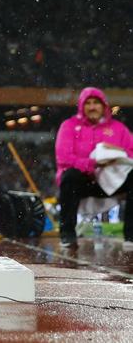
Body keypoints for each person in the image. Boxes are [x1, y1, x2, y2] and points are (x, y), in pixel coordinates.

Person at [55, 87, 133, 249]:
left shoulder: (118, 128)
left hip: (111, 181)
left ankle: (131, 235)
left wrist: (117, 156)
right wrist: (93, 163)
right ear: (81, 107)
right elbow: (64, 157)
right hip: (83, 181)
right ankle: (67, 234)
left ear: (104, 106)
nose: (92, 107)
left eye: (96, 103)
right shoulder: (69, 126)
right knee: (69, 176)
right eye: (88, 103)